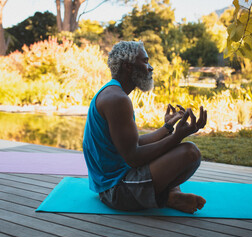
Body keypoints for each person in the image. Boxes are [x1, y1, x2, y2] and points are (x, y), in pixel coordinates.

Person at [83, 41, 207, 213]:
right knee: (190, 153)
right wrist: (176, 137)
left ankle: (170, 195)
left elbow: (135, 143)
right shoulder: (117, 99)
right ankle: (168, 196)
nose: (150, 67)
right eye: (145, 61)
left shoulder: (113, 93)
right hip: (116, 191)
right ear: (128, 66)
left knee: (172, 149)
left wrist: (167, 128)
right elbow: (134, 157)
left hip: (111, 184)